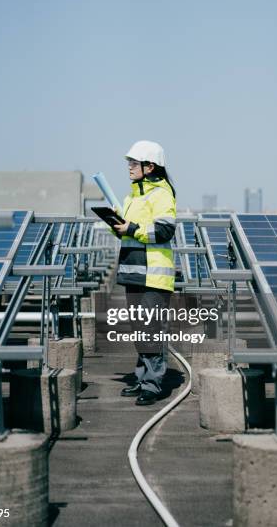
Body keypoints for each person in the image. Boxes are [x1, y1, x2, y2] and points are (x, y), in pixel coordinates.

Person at [112, 140, 177, 406]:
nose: (129, 166)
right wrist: (116, 224)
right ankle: (143, 378)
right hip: (134, 272)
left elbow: (163, 230)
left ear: (150, 167)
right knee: (140, 330)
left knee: (150, 331)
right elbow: (130, 232)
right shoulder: (131, 197)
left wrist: (132, 228)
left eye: (134, 162)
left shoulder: (161, 194)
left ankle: (153, 384)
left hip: (153, 275)